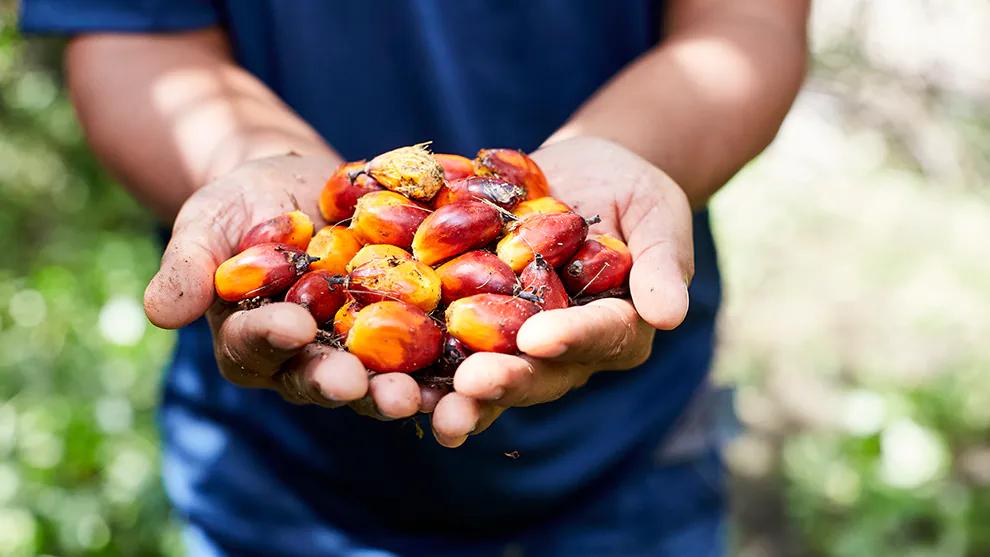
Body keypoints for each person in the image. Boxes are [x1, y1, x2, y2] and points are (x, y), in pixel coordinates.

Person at [21, 1, 809, 555]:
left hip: (631, 452)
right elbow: (132, 36)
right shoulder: (378, 254)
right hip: (289, 482)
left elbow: (747, 20)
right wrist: (246, 162)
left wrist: (629, 150)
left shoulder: (451, 251)